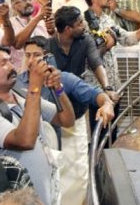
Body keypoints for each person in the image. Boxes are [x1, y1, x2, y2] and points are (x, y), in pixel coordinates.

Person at [0, 44, 74, 205]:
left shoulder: (22, 96)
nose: (11, 67)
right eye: (3, 63)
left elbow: (66, 120)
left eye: (11, 61)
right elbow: (25, 141)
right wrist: (35, 86)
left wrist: (58, 88)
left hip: (44, 191)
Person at [17, 37, 115, 205]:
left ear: (48, 57)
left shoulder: (64, 79)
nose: (31, 61)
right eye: (28, 55)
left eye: (37, 55)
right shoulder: (17, 83)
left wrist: (107, 104)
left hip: (53, 149)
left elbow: (94, 94)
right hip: (26, 153)